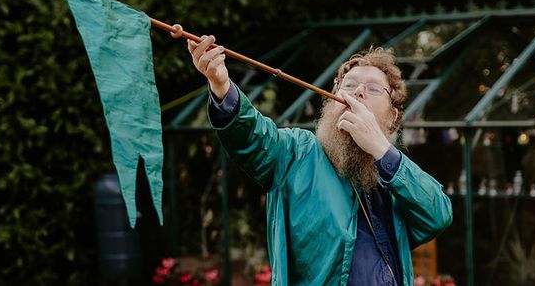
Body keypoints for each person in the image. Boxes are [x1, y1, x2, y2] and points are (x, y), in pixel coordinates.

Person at [188, 37, 452, 286]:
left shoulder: (395, 171)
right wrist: (221, 85)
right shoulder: (296, 152)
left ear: (394, 116)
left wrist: (381, 148)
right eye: (348, 85)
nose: (358, 92)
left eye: (373, 89)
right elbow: (252, 138)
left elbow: (437, 215)